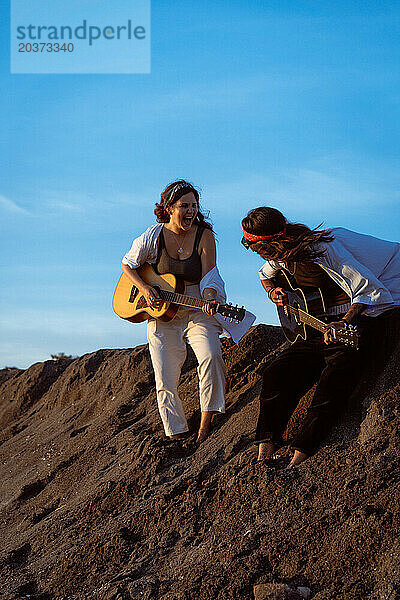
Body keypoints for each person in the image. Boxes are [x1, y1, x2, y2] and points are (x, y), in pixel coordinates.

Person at [241, 207, 400, 468]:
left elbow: (368, 289)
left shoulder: (325, 248)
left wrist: (344, 322)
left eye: (257, 248)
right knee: (276, 371)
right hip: (331, 315)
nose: (256, 254)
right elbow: (265, 276)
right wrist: (274, 293)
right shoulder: (281, 255)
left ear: (273, 242)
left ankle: (304, 448)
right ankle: (266, 445)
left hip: (387, 293)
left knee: (339, 364)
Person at [121, 180, 226, 443]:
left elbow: (210, 275)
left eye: (194, 205)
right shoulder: (153, 235)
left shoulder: (205, 235)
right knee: (165, 375)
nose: (190, 211)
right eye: (184, 205)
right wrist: (145, 289)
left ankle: (205, 425)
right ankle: (176, 432)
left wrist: (210, 296)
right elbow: (128, 264)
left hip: (196, 303)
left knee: (211, 354)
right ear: (169, 208)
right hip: (161, 308)